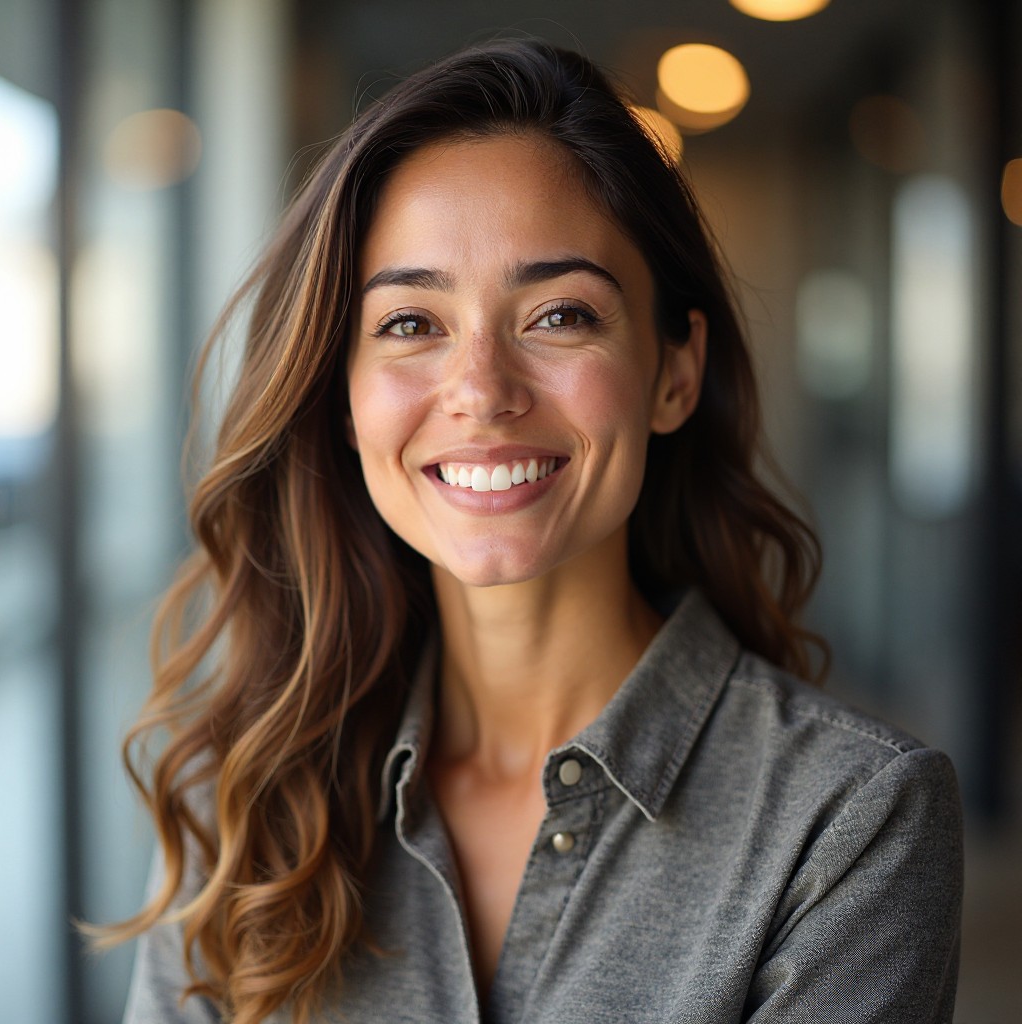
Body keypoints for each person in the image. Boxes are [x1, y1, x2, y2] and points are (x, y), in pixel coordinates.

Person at [108, 38, 963, 1024]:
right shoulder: (251, 794)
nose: (480, 393)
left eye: (558, 315)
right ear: (342, 398)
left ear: (673, 372)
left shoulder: (849, 821)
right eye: (410, 324)